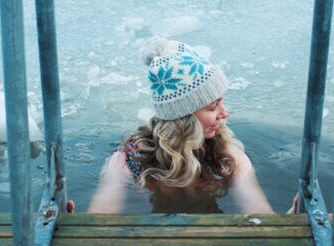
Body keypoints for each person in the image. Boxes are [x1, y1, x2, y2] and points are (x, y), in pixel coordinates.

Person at [88, 38, 280, 214]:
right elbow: (99, 220)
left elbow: (259, 213)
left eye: (221, 103)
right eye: (213, 107)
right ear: (183, 119)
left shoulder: (227, 157)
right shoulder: (133, 158)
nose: (224, 113)